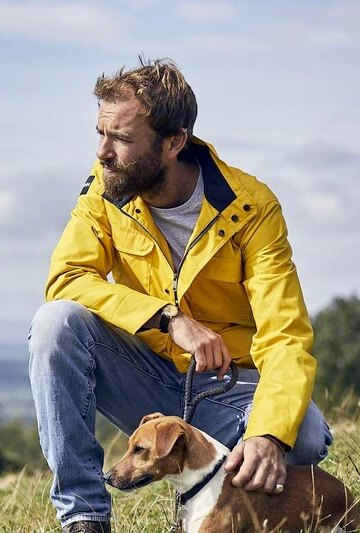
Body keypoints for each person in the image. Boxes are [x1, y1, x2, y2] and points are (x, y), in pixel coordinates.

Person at [27, 58, 332, 533]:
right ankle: (84, 516)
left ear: (174, 142)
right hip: (144, 379)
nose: (103, 152)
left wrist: (269, 435)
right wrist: (168, 318)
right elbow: (68, 279)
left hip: (226, 390)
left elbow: (286, 338)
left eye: (122, 139)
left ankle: (236, 502)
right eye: (100, 134)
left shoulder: (252, 207)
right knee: (56, 323)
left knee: (304, 437)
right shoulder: (103, 191)